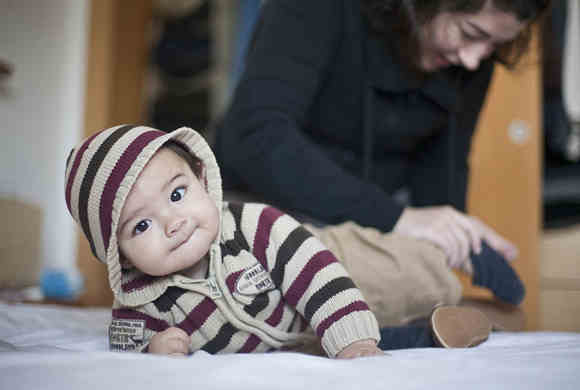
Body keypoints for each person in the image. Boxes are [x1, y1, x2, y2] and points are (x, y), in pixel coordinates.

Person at [64, 124, 493, 358]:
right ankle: (444, 331)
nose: (172, 223)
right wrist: (153, 346)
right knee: (387, 338)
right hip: (303, 343)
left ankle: (477, 286)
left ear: (200, 177)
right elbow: (124, 338)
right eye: (141, 226)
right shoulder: (143, 296)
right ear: (118, 254)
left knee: (400, 290)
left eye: (177, 195)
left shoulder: (254, 225)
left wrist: (352, 339)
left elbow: (317, 275)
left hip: (328, 281)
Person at [215, 0, 550, 280]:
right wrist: (398, 219)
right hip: (259, 213)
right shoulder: (318, 8)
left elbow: (442, 167)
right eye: (470, 33)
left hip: (362, 227)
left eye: (494, 45)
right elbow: (256, 136)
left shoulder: (470, 59)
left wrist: (456, 237)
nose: (474, 59)